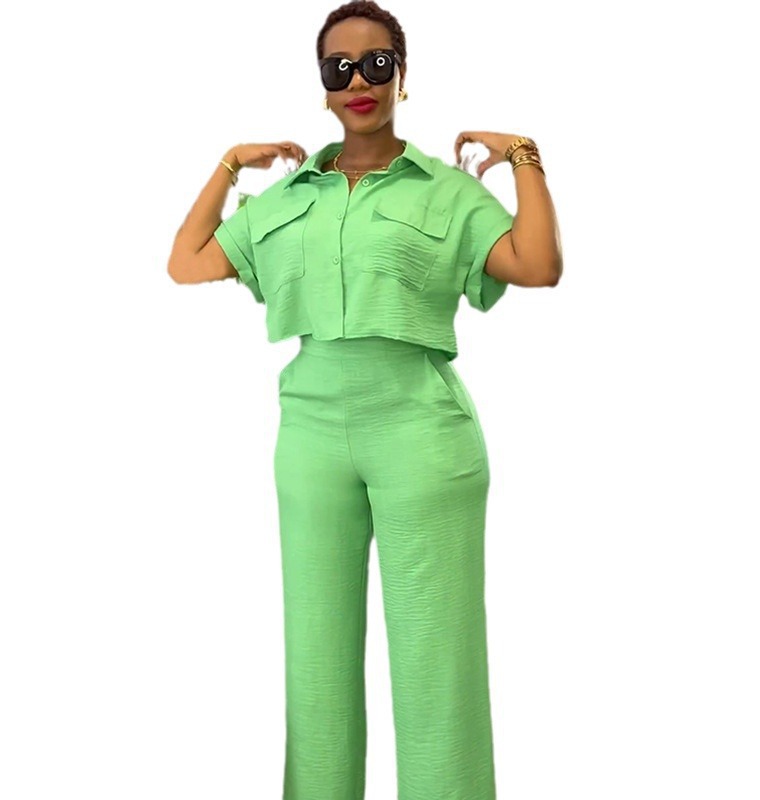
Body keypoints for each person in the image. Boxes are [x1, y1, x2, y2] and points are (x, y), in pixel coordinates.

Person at [167, 1, 562, 796]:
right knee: (316, 665)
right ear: (322, 84)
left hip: (422, 433)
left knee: (436, 663)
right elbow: (188, 260)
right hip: (310, 436)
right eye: (339, 67)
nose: (359, 81)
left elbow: (537, 263)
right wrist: (229, 165)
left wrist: (524, 155)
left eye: (377, 64)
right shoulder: (290, 196)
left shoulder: (446, 192)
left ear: (402, 77)